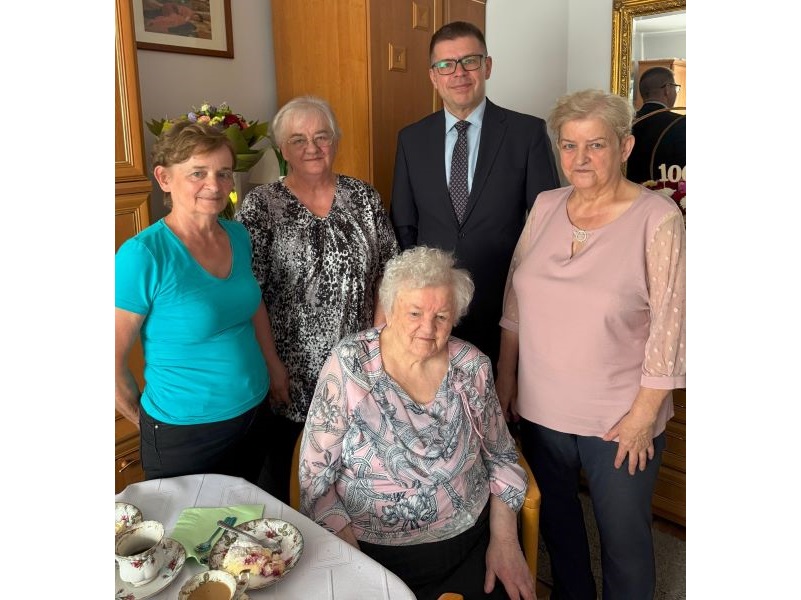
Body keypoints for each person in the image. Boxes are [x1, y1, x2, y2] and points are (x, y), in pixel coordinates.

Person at [496, 89, 685, 599]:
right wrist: (506, 381)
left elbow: (671, 328)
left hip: (619, 418)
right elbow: (515, 301)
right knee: (558, 530)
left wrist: (643, 416)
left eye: (595, 145)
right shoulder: (546, 205)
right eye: (569, 145)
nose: (580, 158)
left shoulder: (658, 218)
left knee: (624, 543)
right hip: (540, 410)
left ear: (625, 147)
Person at [299, 246, 534, 600]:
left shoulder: (472, 367)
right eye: (414, 313)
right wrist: (352, 563)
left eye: (441, 316)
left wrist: (505, 540)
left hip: (467, 540)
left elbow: (501, 456)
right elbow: (315, 474)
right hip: (371, 551)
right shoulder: (350, 364)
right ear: (390, 309)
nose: (428, 328)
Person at [236, 95, 399, 504]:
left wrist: (376, 349)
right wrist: (272, 365)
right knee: (289, 479)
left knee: (353, 474)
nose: (312, 147)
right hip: (290, 372)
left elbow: (388, 274)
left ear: (336, 140)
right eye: (298, 139)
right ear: (282, 148)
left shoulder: (363, 198)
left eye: (321, 136)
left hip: (356, 366)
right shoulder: (261, 205)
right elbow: (250, 291)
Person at [115, 121, 287, 483]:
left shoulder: (237, 235)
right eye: (198, 173)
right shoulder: (144, 254)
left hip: (254, 412)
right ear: (164, 178)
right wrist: (149, 425)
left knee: (258, 516)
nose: (215, 185)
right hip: (186, 435)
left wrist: (273, 365)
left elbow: (252, 305)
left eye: (223, 173)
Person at [390, 20, 560, 369]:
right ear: (433, 76)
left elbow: (549, 224)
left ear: (487, 66)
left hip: (505, 308)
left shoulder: (526, 133)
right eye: (446, 64)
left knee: (501, 396)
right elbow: (404, 226)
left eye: (469, 61)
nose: (459, 73)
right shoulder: (411, 139)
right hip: (432, 314)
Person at [625, 66, 686, 184]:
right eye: (675, 88)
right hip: (664, 192)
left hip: (628, 191)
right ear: (667, 89)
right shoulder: (681, 122)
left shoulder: (626, 122)